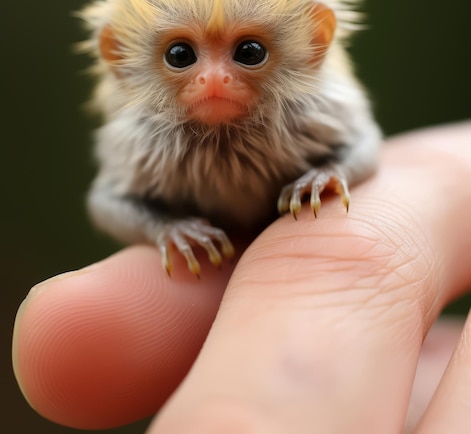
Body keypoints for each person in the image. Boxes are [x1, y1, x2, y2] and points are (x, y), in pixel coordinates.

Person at [12, 124, 471, 433]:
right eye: (181, 56)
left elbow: (363, 146)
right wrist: (164, 228)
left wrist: (332, 172)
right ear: (121, 56)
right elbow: (109, 202)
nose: (214, 80)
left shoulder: (313, 109)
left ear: (315, 39)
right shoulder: (141, 135)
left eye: (249, 53)